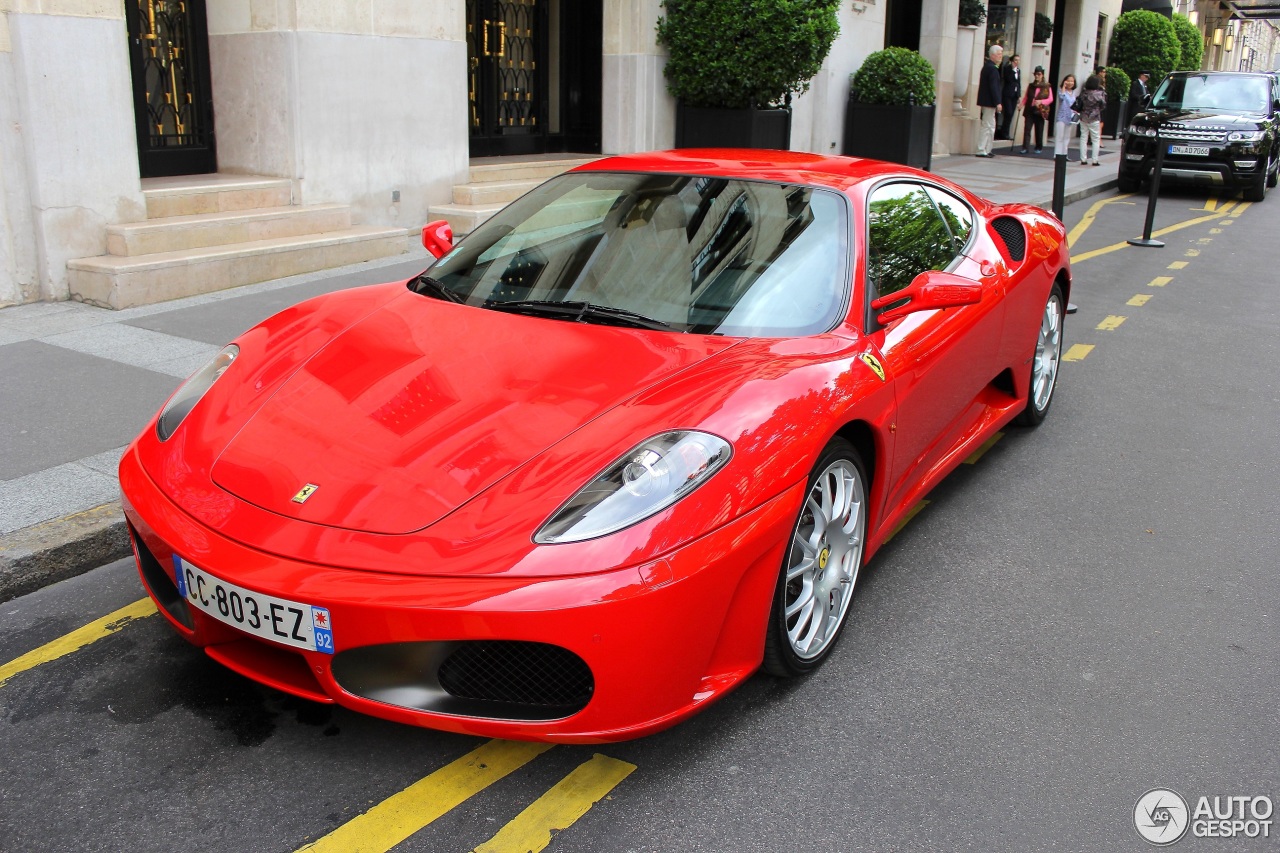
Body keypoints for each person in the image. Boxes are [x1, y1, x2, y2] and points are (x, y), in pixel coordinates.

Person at [976, 44, 1004, 157]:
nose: (1000, 56)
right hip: (989, 102)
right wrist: (998, 102)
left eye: (1001, 54)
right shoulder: (991, 68)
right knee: (987, 125)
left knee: (991, 125)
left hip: (989, 102)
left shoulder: (989, 67)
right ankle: (981, 149)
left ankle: (987, 149)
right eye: (998, 54)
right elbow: (994, 87)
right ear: (992, 55)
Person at [1020, 66, 1053, 154]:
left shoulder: (1047, 86)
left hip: (1040, 111)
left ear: (1042, 75)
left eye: (1039, 74)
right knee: (1027, 129)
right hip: (1029, 110)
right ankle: (1025, 147)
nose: (1037, 76)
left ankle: (1038, 147)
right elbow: (1026, 97)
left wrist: (1041, 101)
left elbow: (1050, 99)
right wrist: (1021, 104)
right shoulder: (1031, 86)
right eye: (1035, 74)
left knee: (1039, 129)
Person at [1077, 74, 1107, 166]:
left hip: (1083, 116)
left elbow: (1079, 103)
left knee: (1083, 137)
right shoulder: (1100, 94)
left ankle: (1083, 159)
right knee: (1095, 139)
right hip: (1095, 117)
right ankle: (1095, 160)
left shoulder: (1083, 93)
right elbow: (1103, 105)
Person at [1053, 74, 1078, 160]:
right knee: (1060, 136)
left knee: (1067, 137)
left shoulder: (1074, 93)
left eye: (1072, 81)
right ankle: (1057, 154)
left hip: (1070, 117)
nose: (1070, 83)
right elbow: (1061, 97)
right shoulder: (1061, 90)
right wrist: (1063, 87)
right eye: (1069, 80)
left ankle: (1064, 154)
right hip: (1062, 116)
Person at [1000, 54, 1021, 140]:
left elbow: (1019, 83)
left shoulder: (1018, 70)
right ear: (1012, 61)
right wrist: (1012, 70)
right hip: (1008, 94)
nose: (1017, 62)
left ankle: (1007, 132)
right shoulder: (1008, 69)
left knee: (1011, 114)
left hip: (1015, 95)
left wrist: (1019, 95)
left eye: (1018, 60)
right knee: (1008, 112)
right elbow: (1007, 79)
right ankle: (1003, 132)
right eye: (1015, 60)